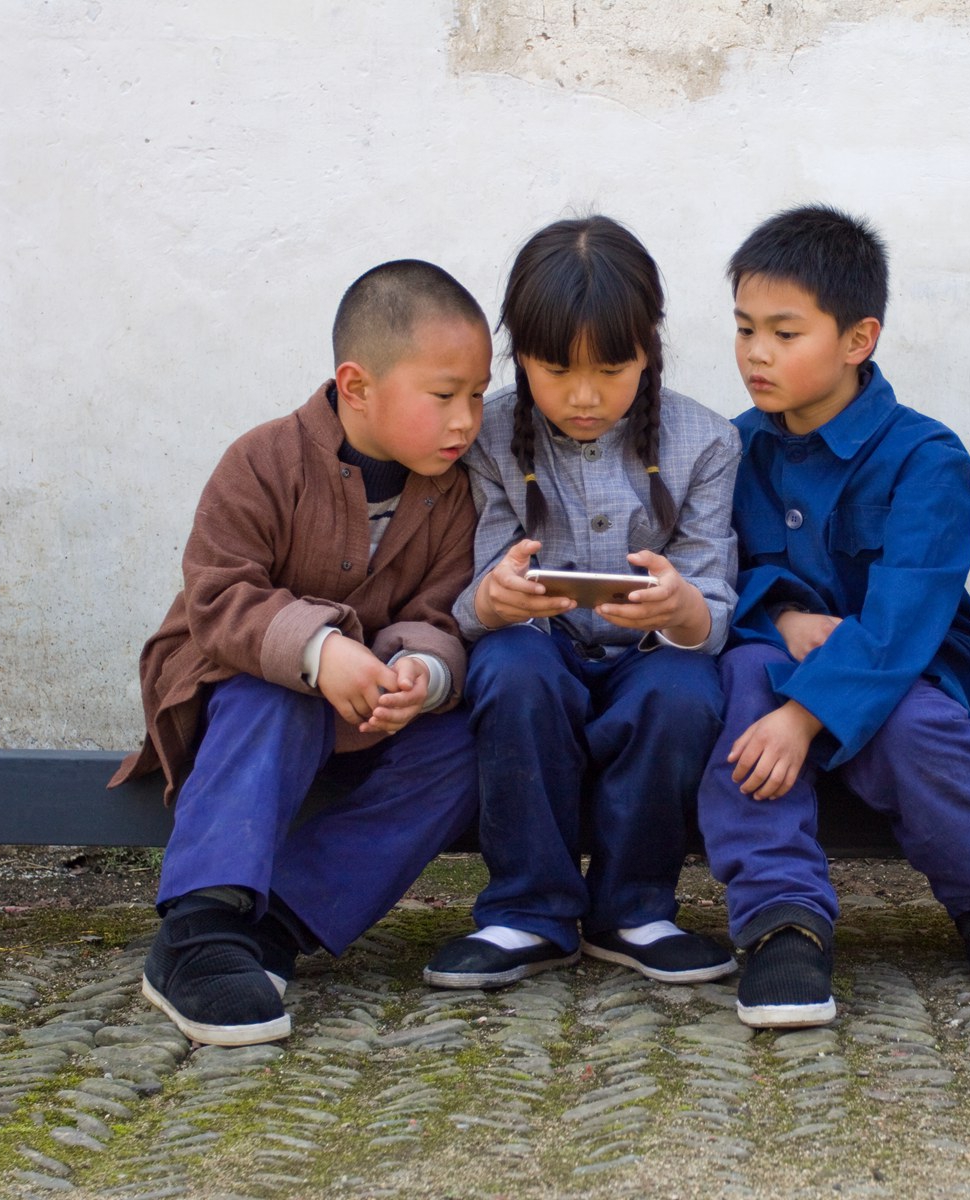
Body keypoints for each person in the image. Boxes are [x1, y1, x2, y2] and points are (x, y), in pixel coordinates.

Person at [697, 204, 970, 1030]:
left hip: (910, 668)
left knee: (910, 720)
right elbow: (721, 569)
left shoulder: (925, 456)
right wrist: (784, 615)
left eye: (785, 334)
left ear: (858, 339)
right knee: (745, 678)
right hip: (774, 655)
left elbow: (907, 616)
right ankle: (780, 922)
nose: (757, 353)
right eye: (745, 329)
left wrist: (807, 713)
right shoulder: (732, 448)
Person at [109, 260, 492, 1045]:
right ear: (357, 385)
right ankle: (201, 928)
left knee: (471, 743)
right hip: (238, 692)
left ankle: (277, 924)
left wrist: (421, 673)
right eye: (444, 395)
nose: (466, 421)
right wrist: (320, 653)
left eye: (479, 396)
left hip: (370, 715)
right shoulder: (263, 461)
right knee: (276, 690)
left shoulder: (455, 495)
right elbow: (217, 596)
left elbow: (441, 610)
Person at [422, 216, 740, 991]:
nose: (586, 396)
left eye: (614, 368)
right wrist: (492, 600)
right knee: (511, 670)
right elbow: (479, 583)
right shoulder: (490, 435)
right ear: (519, 356)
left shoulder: (708, 441)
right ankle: (527, 912)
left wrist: (680, 611)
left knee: (685, 689)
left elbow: (713, 604)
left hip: (648, 658)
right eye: (555, 370)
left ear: (650, 347)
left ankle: (633, 910)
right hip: (541, 646)